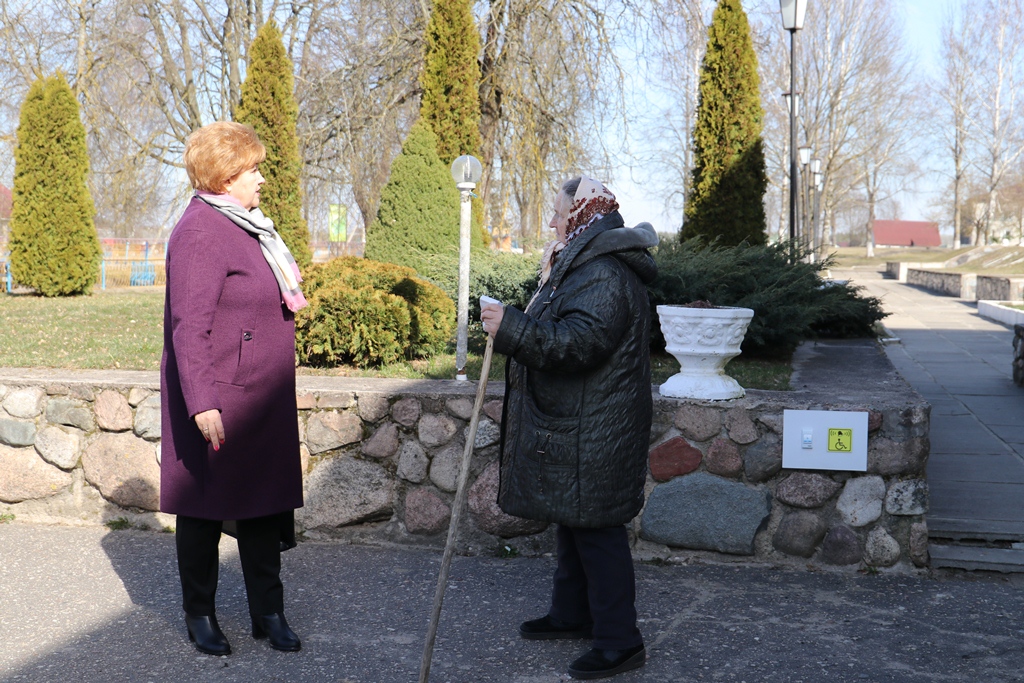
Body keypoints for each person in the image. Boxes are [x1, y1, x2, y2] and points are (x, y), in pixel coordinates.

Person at [480, 176, 658, 680]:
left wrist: (511, 327)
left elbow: (579, 343)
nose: (553, 222)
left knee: (597, 528)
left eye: (559, 213)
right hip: (583, 419)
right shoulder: (580, 264)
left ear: (583, 215)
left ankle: (620, 641)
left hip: (596, 424)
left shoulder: (601, 272)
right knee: (574, 518)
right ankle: (572, 615)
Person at [160, 121, 307, 656]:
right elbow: (188, 326)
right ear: (226, 176)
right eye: (253, 169)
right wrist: (202, 403)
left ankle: (269, 613)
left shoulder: (245, 225)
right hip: (220, 397)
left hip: (258, 398)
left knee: (263, 508)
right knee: (202, 509)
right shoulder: (201, 230)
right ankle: (200, 614)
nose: (261, 178)